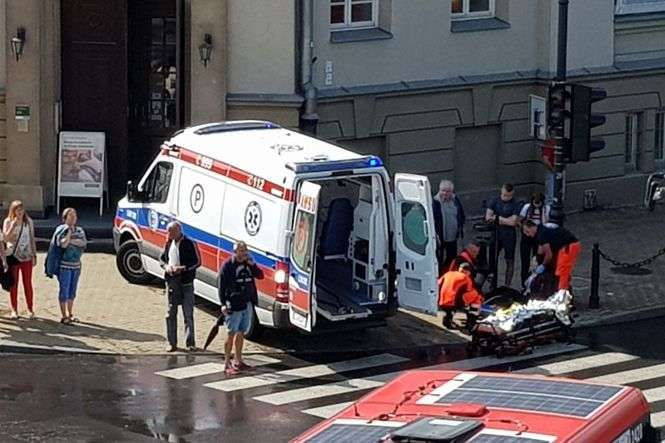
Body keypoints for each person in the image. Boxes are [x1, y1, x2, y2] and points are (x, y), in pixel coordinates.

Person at [218, 241, 264, 375]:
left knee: (241, 331)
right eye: (241, 251)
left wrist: (252, 264)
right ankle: (227, 362)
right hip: (234, 303)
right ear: (235, 252)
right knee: (231, 332)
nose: (243, 253)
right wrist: (223, 304)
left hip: (247, 302)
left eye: (245, 250)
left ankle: (238, 360)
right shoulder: (228, 265)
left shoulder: (248, 264)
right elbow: (221, 285)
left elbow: (260, 275)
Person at [159, 221, 201, 352]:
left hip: (186, 282)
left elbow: (197, 262)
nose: (168, 234)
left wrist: (183, 268)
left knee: (188, 313)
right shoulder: (168, 242)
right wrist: (166, 267)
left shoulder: (189, 243)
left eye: (170, 231)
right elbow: (161, 258)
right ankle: (171, 343)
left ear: (178, 231)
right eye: (168, 231)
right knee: (170, 313)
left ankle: (190, 342)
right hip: (172, 281)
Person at [522, 220, 581, 291]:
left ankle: (562, 293)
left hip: (568, 247)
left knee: (562, 272)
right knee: (561, 271)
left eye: (527, 232)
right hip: (568, 246)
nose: (528, 235)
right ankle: (563, 290)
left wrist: (543, 265)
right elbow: (541, 250)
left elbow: (548, 254)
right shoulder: (542, 229)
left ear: (532, 227)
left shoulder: (541, 234)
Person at [2, 201, 37, 320]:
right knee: (14, 283)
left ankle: (30, 308)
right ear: (13, 211)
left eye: (21, 209)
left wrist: (34, 255)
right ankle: (14, 309)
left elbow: (32, 238)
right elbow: (5, 239)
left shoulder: (29, 222)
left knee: (27, 283)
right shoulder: (8, 221)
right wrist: (12, 226)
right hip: (13, 255)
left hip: (26, 255)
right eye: (17, 210)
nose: (20, 212)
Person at [485, 183, 521, 288]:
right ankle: (493, 283)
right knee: (492, 258)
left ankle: (507, 285)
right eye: (504, 195)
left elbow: (513, 222)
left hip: (509, 235)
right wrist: (506, 220)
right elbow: (488, 217)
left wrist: (498, 218)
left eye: (509, 196)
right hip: (496, 233)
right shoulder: (494, 200)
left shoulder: (515, 203)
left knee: (510, 259)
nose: (506, 198)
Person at [55, 208, 87, 324]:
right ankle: (64, 315)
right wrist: (69, 233)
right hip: (64, 266)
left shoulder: (80, 230)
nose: (73, 218)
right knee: (64, 290)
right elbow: (62, 244)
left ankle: (70, 312)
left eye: (75, 215)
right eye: (70, 216)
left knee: (73, 290)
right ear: (65, 218)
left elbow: (83, 243)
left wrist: (71, 242)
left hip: (76, 265)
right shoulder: (61, 230)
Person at [432, 180, 466, 273]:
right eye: (443, 190)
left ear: (452, 192)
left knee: (452, 258)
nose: (445, 193)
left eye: (448, 191)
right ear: (439, 190)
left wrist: (460, 227)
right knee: (438, 258)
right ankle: (440, 276)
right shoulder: (434, 202)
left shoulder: (455, 200)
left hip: (452, 236)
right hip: (440, 237)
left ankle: (449, 275)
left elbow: (461, 214)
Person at [438, 263, 484, 329]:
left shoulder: (448, 273)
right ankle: (471, 321)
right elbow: (469, 291)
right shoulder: (466, 278)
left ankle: (448, 316)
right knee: (476, 296)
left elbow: (438, 283)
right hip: (454, 303)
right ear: (467, 271)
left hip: (442, 300)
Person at [519, 192, 551, 287]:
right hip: (527, 235)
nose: (536, 206)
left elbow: (547, 223)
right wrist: (524, 228)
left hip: (538, 235)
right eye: (535, 203)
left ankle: (534, 283)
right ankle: (524, 283)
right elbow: (519, 220)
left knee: (536, 259)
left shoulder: (546, 209)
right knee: (525, 261)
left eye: (538, 204)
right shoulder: (527, 208)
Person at [541, 137, 556, 206]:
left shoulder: (551, 143)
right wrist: (553, 170)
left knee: (553, 194)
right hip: (552, 171)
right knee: (551, 195)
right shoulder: (549, 143)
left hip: (554, 170)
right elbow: (545, 160)